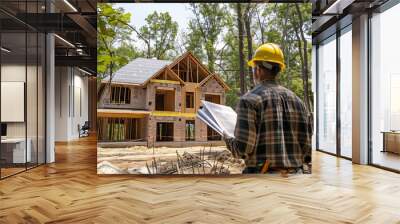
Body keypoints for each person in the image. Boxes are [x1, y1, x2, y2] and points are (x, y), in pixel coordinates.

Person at [224, 43, 312, 174]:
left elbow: (242, 150)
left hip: (262, 178)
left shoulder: (249, 100)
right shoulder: (298, 102)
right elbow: (307, 151)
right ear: (278, 69)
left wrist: (226, 137)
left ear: (258, 70)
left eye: (254, 68)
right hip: (296, 177)